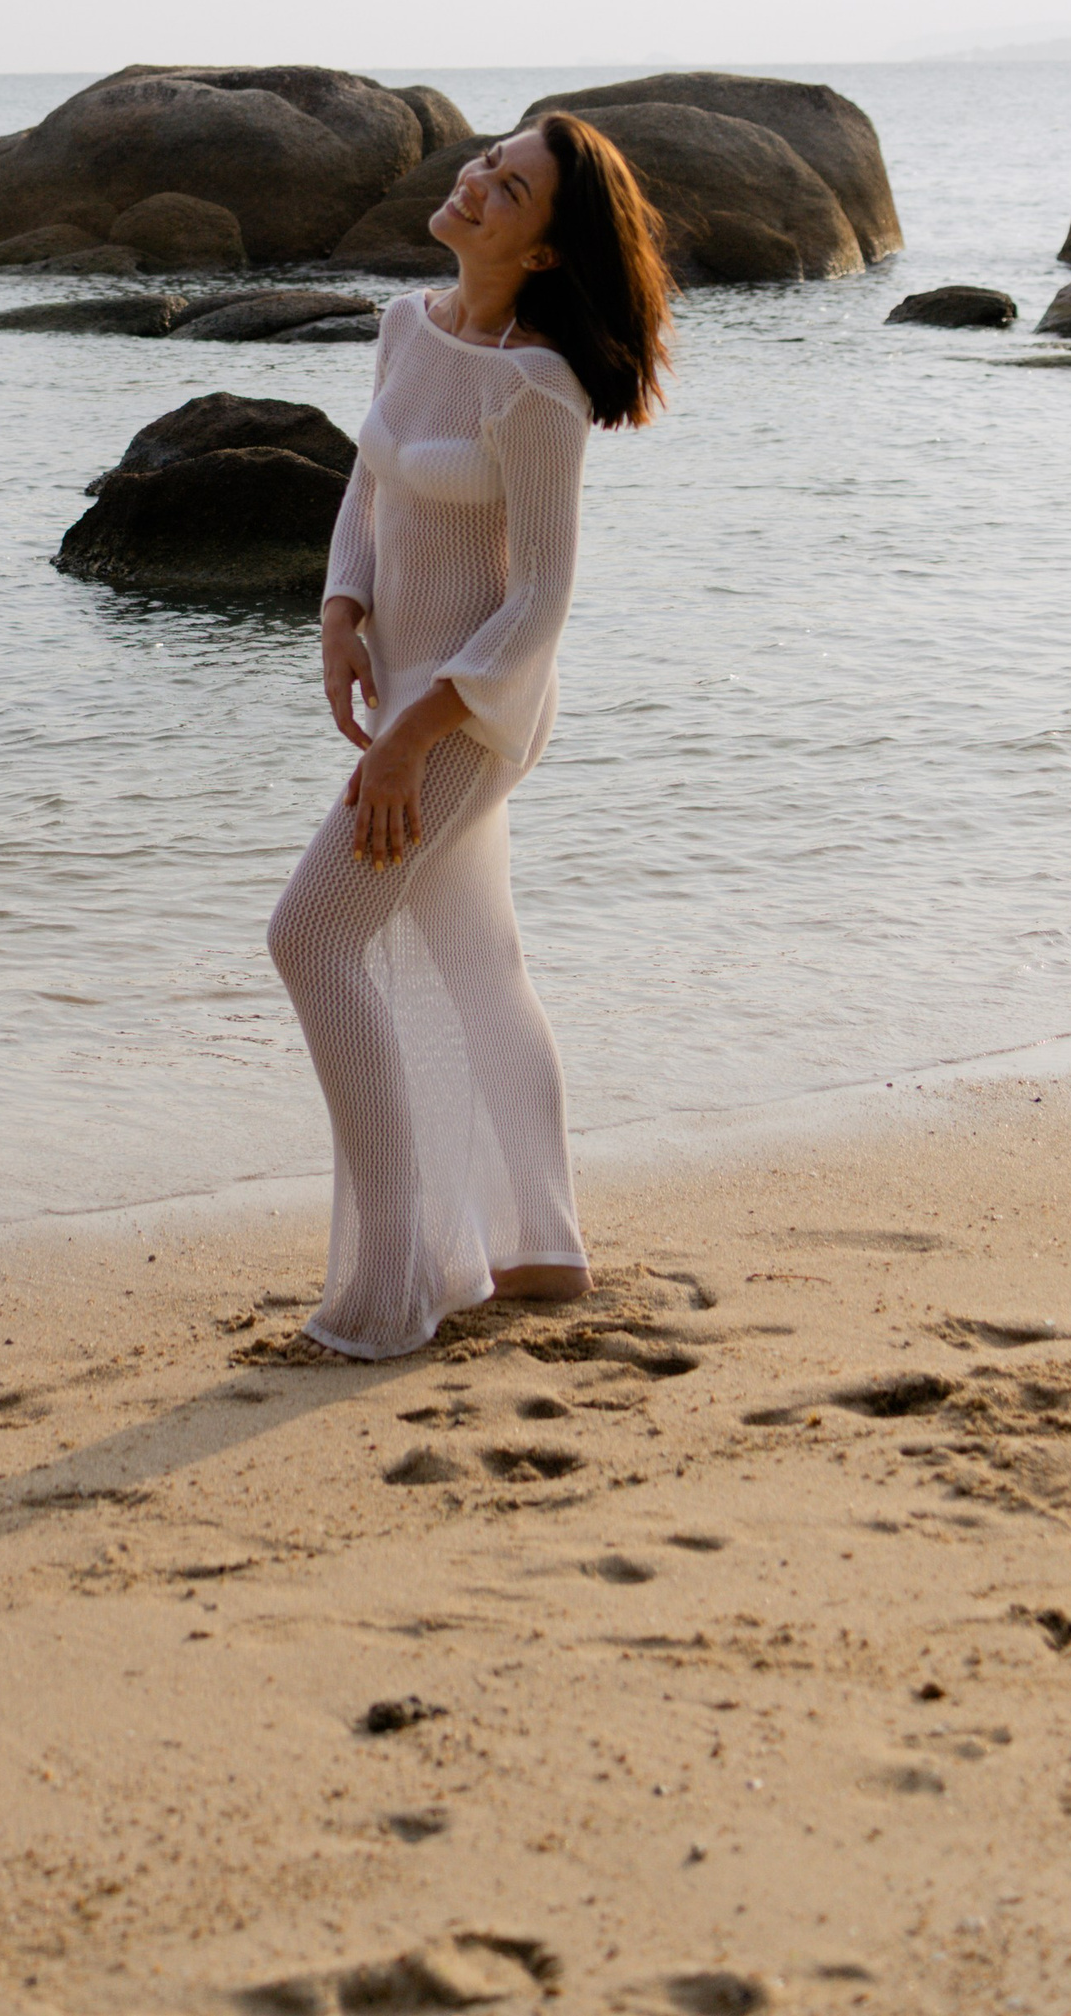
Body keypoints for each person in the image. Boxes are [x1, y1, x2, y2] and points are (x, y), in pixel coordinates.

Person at [266, 114, 673, 1361]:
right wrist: (340, 610)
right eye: (487, 162)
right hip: (399, 685)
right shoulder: (407, 323)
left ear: (544, 250)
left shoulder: (536, 387)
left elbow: (539, 596)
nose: (477, 182)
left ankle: (396, 1272)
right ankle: (542, 1242)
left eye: (512, 186)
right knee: (476, 958)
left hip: (472, 710)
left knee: (311, 935)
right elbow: (368, 483)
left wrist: (411, 733)